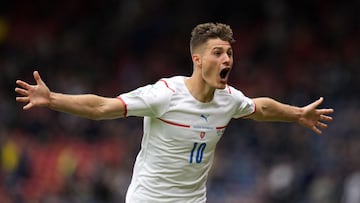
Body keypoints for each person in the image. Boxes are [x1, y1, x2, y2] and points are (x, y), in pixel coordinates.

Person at [15, 22, 334, 202]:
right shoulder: (164, 95)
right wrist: (53, 98)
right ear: (197, 60)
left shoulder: (229, 99)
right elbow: (101, 107)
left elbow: (259, 107)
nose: (227, 60)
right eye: (217, 53)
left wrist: (297, 114)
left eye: (230, 53)